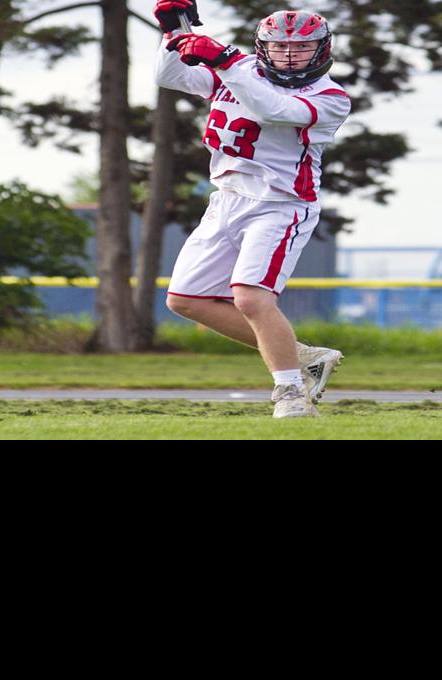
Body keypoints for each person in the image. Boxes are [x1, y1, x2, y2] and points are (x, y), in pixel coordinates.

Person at [152, 2, 348, 418]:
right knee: (185, 299)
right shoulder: (241, 72)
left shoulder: (330, 96)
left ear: (323, 49)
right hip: (225, 198)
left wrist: (226, 59)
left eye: (302, 47)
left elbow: (273, 109)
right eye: (279, 47)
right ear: (264, 47)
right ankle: (302, 357)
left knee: (250, 298)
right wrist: (173, 32)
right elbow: (169, 76)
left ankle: (291, 394)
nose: (290, 56)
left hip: (280, 205)